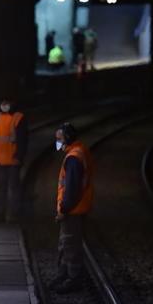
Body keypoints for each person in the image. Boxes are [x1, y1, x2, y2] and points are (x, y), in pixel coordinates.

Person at [51, 122, 94, 293]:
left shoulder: (73, 158)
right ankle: (64, 275)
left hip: (73, 210)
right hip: (77, 207)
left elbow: (72, 190)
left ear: (68, 138)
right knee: (66, 243)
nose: (57, 142)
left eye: (59, 139)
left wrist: (63, 210)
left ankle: (74, 279)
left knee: (70, 245)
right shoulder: (78, 151)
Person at [0, 98, 28, 224]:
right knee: (2, 188)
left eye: (7, 102)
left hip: (13, 160)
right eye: (3, 102)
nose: (4, 105)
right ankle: (1, 214)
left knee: (13, 187)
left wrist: (19, 156)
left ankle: (15, 215)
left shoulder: (18, 118)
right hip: (0, 160)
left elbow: (23, 139)